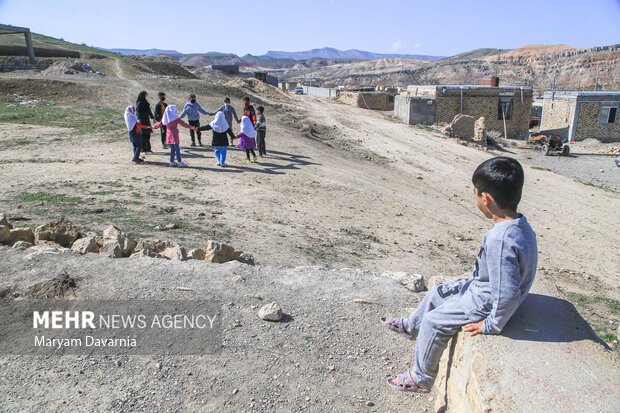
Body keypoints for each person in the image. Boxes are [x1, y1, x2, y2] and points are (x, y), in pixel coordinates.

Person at [381, 156, 537, 393]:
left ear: (486, 199)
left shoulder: (501, 240)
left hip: (485, 302)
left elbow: (506, 291)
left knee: (434, 322)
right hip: (481, 287)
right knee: (438, 291)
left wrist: (492, 324)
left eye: (475, 193)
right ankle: (411, 327)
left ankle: (421, 378)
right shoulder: (519, 225)